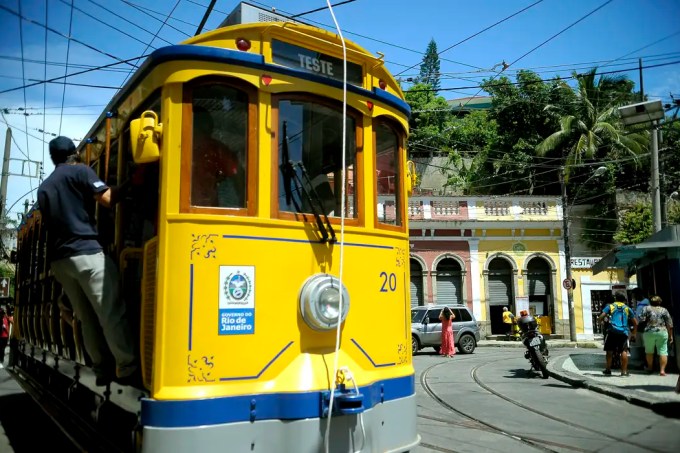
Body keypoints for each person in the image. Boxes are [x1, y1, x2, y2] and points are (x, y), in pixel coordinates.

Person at [37, 136, 140, 387]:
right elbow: (107, 199)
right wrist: (129, 183)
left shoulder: (45, 187)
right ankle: (127, 367)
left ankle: (102, 368)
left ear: (53, 158)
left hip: (61, 261)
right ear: (74, 154)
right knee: (110, 312)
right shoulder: (80, 171)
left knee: (86, 317)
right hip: (86, 254)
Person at [191, 107, 244, 208]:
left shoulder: (217, 150)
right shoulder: (217, 150)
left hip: (209, 209)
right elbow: (238, 176)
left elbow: (238, 174)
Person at [598, 292, 637, 377]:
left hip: (612, 331)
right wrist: (634, 333)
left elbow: (601, 317)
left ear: (615, 299)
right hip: (623, 332)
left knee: (609, 351)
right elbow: (635, 322)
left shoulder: (611, 306)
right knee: (623, 351)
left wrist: (601, 323)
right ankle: (624, 372)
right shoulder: (627, 308)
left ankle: (608, 369)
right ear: (624, 300)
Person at [639, 295, 674, 376]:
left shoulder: (646, 308)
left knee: (649, 351)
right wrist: (670, 335)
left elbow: (641, 319)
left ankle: (650, 368)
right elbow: (670, 324)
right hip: (662, 332)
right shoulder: (664, 310)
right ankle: (662, 371)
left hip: (649, 332)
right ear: (659, 302)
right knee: (663, 351)